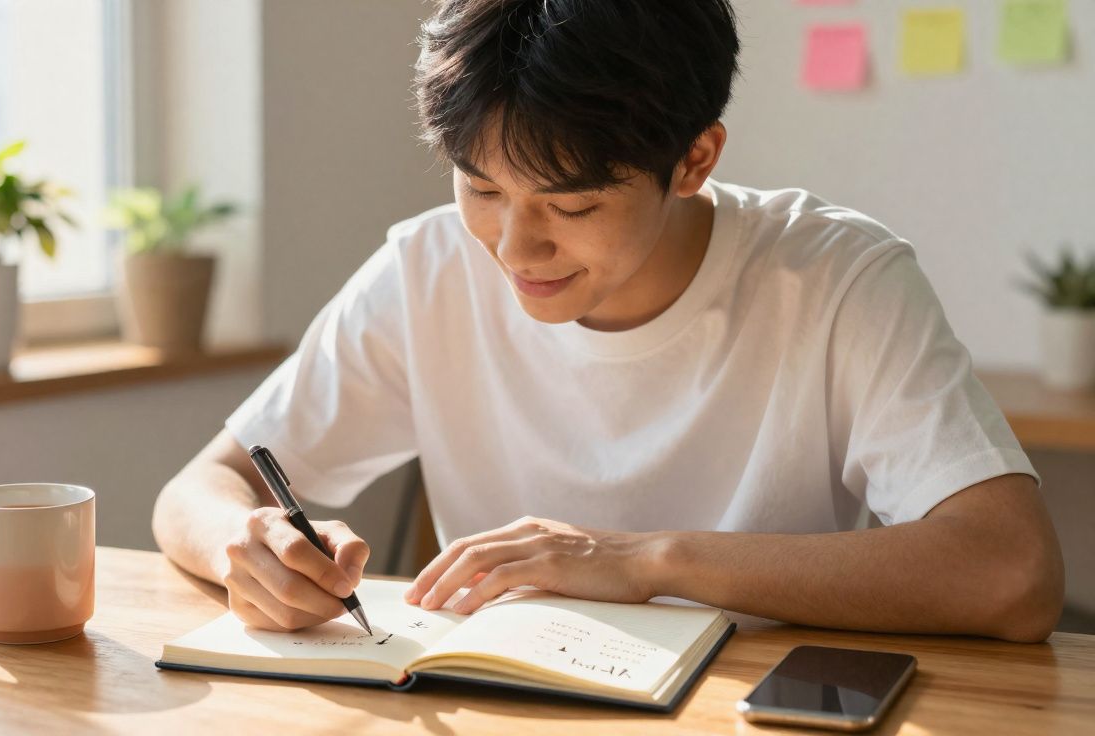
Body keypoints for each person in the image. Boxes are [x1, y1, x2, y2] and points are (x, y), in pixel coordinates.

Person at [152, 0, 1064, 642]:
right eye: (481, 188)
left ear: (694, 159)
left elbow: (1013, 573)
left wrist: (646, 561)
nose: (515, 247)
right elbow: (202, 486)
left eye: (572, 205)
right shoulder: (427, 268)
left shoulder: (836, 278)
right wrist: (247, 547)